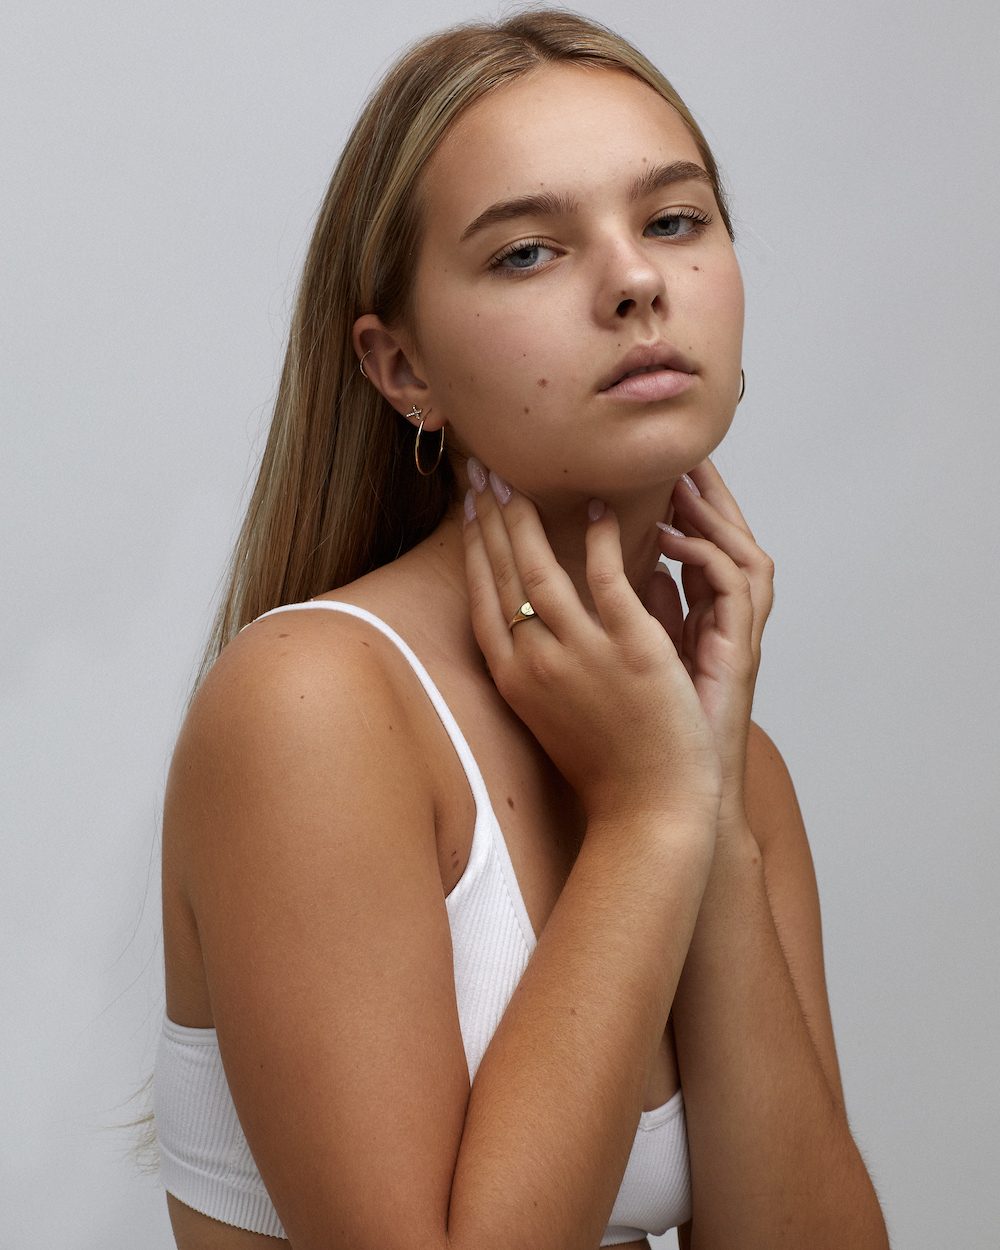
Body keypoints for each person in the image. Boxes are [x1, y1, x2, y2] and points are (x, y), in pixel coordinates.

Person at [152, 9, 890, 1249]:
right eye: (528, 251)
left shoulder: (729, 767)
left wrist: (699, 804)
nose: (637, 281)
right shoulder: (312, 705)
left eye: (674, 220)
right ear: (402, 370)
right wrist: (650, 818)